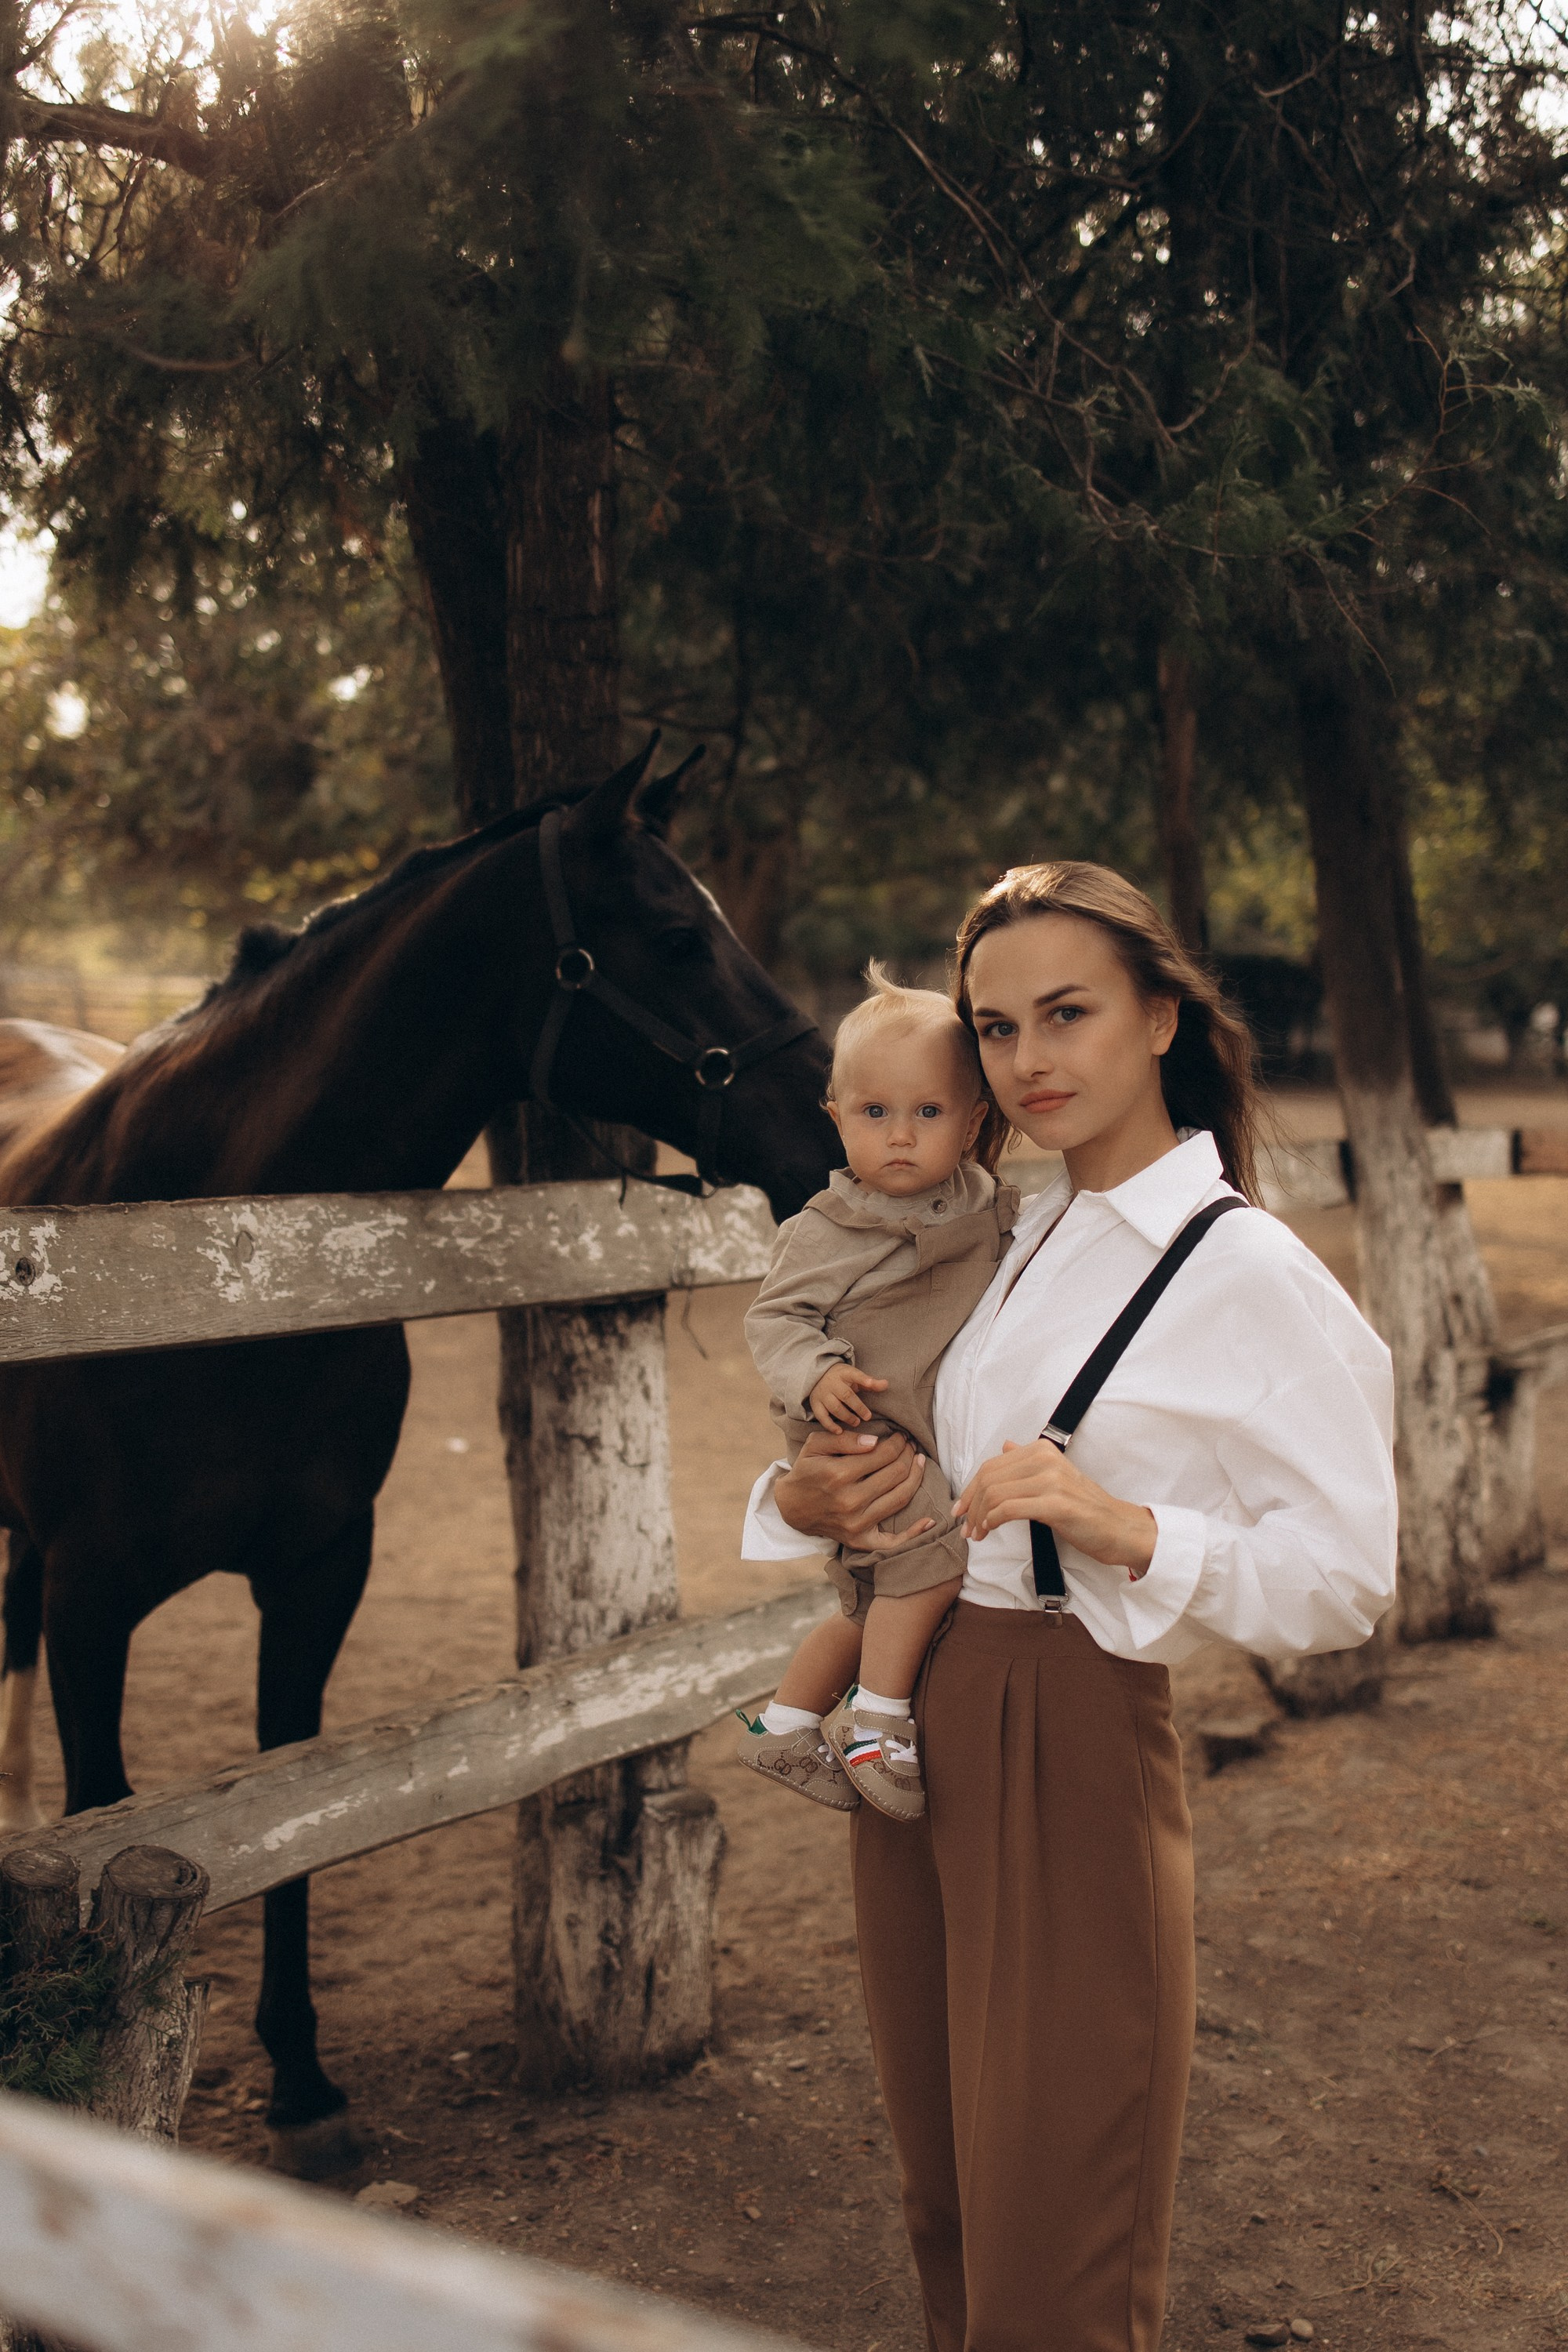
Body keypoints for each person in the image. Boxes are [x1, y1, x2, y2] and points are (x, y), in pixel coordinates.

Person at [742, 862, 1397, 2352]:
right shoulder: (1004, 1229)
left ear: (1161, 1015)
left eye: (1067, 1013)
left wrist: (1121, 1524)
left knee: (1059, 2243)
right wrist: (796, 1501)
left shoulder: (1242, 1271)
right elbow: (905, 1454)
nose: (1028, 1060)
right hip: (919, 1708)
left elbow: (1352, 1575)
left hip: (1069, 1720)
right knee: (948, 2195)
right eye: (992, 1027)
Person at [736, 965, 1018, 1820]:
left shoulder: (991, 1208)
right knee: (929, 1559)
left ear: (972, 1123)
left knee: (872, 1604)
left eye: (927, 1112)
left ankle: (783, 1723)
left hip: (917, 1431)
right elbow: (774, 1320)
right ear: (835, 1117)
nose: (899, 1135)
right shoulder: (823, 1229)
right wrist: (816, 1371)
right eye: (873, 1113)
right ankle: (879, 1723)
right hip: (857, 1427)